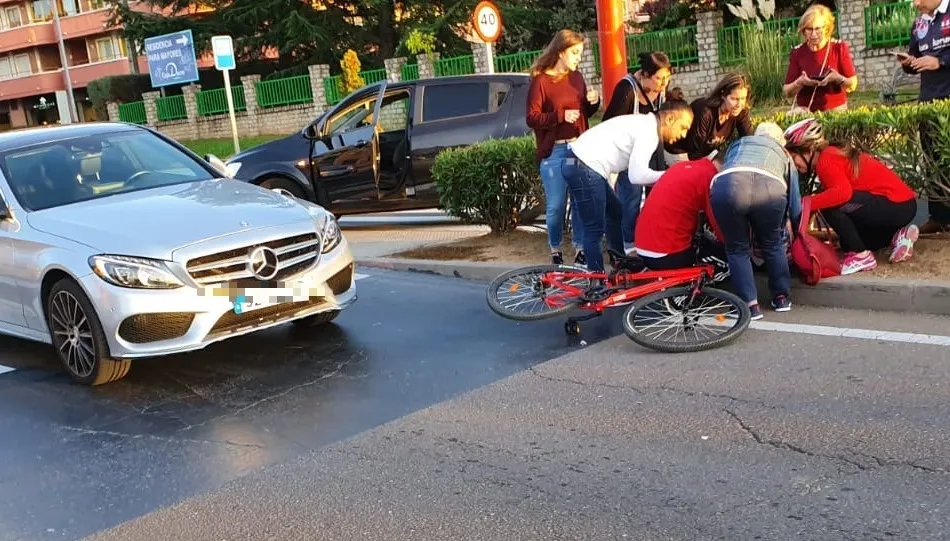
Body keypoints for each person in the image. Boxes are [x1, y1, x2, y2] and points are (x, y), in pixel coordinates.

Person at [560, 99, 694, 275]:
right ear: (669, 119)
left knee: (615, 211)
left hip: (577, 161)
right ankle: (596, 283)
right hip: (584, 165)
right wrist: (672, 176)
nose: (683, 135)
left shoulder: (645, 123)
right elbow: (637, 176)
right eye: (683, 127)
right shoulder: (649, 132)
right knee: (594, 229)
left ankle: (619, 262)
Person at [783, 118, 920, 274]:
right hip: (901, 206)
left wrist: (806, 203)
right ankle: (897, 236)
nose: (795, 166)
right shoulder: (831, 153)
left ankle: (862, 257)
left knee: (831, 207)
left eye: (794, 159)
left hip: (896, 204)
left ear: (807, 149)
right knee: (847, 243)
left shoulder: (825, 159)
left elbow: (842, 193)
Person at [708, 122, 803, 320]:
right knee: (773, 243)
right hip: (770, 188)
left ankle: (749, 305)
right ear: (779, 141)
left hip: (728, 187)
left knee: (736, 248)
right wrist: (796, 225)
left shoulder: (739, 144)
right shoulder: (782, 153)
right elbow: (794, 199)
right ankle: (781, 297)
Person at [526, 29, 601, 267]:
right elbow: (532, 118)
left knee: (580, 202)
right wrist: (559, 116)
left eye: (580, 52)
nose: (579, 58)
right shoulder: (541, 81)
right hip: (554, 152)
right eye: (575, 52)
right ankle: (555, 248)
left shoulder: (577, 78)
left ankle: (580, 248)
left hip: (579, 148)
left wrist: (593, 102)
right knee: (557, 205)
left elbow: (582, 114)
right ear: (561, 52)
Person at [601, 51, 674, 255]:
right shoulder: (627, 90)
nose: (663, 84)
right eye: (658, 78)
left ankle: (649, 238)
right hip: (629, 153)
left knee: (655, 196)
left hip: (652, 148)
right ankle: (627, 243)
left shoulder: (661, 91)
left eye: (667, 78)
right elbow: (610, 124)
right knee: (630, 198)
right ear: (644, 74)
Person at [897, 0, 950, 234]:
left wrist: (940, 61)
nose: (915, 3)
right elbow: (916, 56)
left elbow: (936, 61)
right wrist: (908, 63)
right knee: (932, 162)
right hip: (928, 103)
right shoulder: (919, 23)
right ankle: (938, 217)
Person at [633, 156, 730, 282]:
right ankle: (688, 293)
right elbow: (719, 224)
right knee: (727, 259)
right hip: (666, 253)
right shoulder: (710, 178)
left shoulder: (681, 167)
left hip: (642, 245)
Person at [783, 4, 858, 113]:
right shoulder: (797, 52)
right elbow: (787, 92)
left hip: (835, 111)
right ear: (804, 30)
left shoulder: (838, 48)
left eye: (818, 29)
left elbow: (853, 84)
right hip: (806, 112)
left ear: (826, 28)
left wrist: (837, 78)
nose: (813, 34)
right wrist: (800, 82)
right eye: (809, 29)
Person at [665, 71, 754, 163]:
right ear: (723, 95)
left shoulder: (741, 111)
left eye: (743, 98)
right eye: (734, 99)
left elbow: (749, 140)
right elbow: (694, 154)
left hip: (705, 153)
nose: (739, 104)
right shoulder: (706, 112)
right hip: (681, 153)